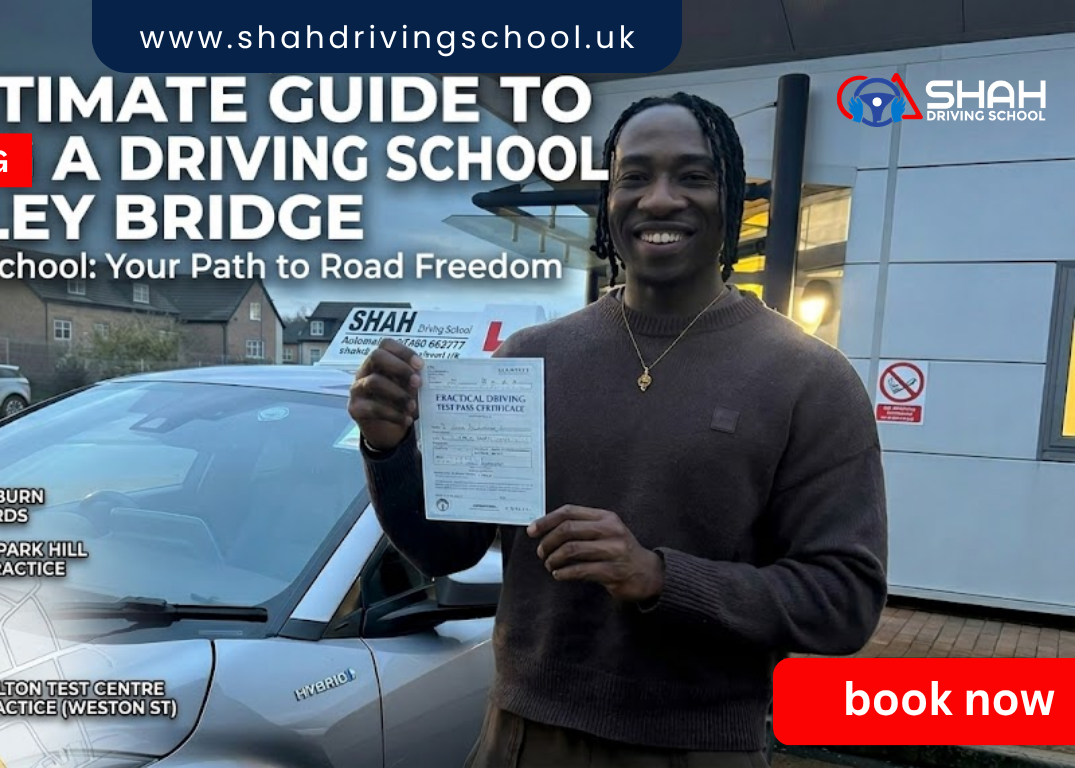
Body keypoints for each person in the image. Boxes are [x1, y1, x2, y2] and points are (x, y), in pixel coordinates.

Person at [348, 92, 888, 767]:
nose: (660, 199)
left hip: (697, 751)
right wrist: (388, 446)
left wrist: (660, 577)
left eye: (693, 176)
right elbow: (445, 550)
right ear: (609, 201)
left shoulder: (810, 379)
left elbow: (844, 601)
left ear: (735, 198)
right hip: (520, 737)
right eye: (634, 176)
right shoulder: (529, 358)